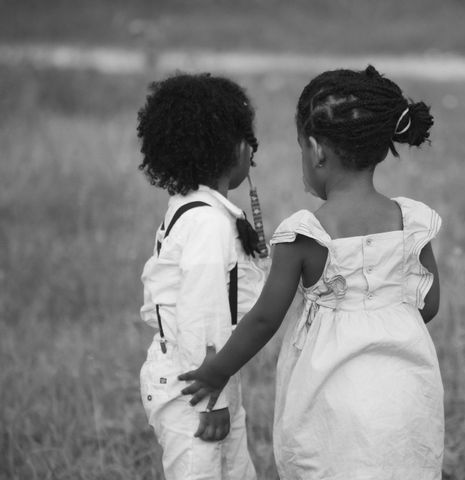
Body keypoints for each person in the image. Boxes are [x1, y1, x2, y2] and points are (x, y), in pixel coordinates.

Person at [180, 65, 445, 479]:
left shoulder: (307, 233)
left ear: (317, 150)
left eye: (302, 148)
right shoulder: (412, 221)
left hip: (333, 397)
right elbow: (428, 304)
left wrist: (218, 370)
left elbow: (266, 318)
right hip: (405, 393)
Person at [136, 72, 268, 480]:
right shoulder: (208, 223)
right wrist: (211, 402)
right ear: (239, 149)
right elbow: (201, 312)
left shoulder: (193, 207)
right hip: (196, 386)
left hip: (207, 378)